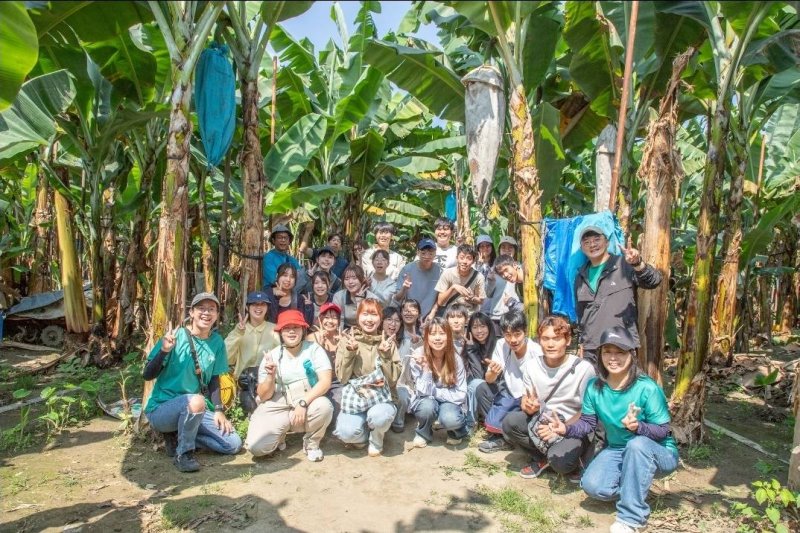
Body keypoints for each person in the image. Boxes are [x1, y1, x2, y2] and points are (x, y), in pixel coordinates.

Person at [547, 326, 678, 533]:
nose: (613, 358)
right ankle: (633, 487)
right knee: (593, 487)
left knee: (636, 445)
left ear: (632, 354)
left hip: (658, 451)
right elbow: (588, 424)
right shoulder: (594, 387)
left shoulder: (647, 388)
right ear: (600, 354)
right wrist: (565, 429)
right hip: (618, 449)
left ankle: (633, 518)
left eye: (620, 352)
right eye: (608, 351)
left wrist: (638, 427)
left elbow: (663, 431)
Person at [143, 292, 242, 473]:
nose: (206, 313)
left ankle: (177, 437)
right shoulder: (176, 337)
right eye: (201, 309)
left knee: (233, 444)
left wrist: (219, 410)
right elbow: (147, 375)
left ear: (217, 315)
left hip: (195, 408)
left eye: (211, 309)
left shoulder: (217, 342)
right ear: (192, 312)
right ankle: (184, 454)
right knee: (196, 401)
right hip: (162, 409)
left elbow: (214, 379)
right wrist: (164, 351)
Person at [501, 316, 596, 481]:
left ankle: (562, 458)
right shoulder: (532, 366)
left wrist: (562, 428)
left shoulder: (583, 369)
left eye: (556, 339)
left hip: (571, 427)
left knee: (561, 463)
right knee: (510, 423)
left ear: (567, 341)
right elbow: (526, 400)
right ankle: (546, 457)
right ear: (539, 341)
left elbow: (587, 412)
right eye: (545, 339)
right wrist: (528, 406)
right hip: (542, 421)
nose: (550, 344)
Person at [245, 310, 334, 462]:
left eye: (296, 327)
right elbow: (264, 395)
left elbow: (325, 381)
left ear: (303, 330)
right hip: (278, 403)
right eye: (286, 328)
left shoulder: (314, 349)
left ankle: (312, 443)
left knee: (324, 406)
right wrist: (270, 376)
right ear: (280, 332)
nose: (292, 331)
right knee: (256, 447)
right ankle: (279, 434)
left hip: (306, 399)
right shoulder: (272, 356)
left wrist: (303, 403)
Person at [575, 226, 662, 365]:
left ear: (607, 242)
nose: (592, 244)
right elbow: (581, 315)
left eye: (597, 239)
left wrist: (637, 263)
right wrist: (581, 343)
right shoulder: (580, 276)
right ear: (582, 248)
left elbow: (654, 281)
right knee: (593, 387)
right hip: (591, 349)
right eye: (586, 242)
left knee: (622, 386)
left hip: (621, 344)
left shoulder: (624, 265)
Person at [334, 299, 402, 456]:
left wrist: (385, 355)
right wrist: (350, 351)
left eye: (374, 314)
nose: (369, 319)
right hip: (356, 400)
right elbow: (343, 378)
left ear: (380, 319)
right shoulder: (347, 340)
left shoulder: (387, 342)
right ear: (358, 317)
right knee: (346, 433)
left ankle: (376, 438)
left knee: (380, 417)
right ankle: (363, 434)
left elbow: (392, 380)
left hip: (381, 399)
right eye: (365, 314)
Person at [477, 309, 542, 453]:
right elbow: (489, 379)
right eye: (508, 335)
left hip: (528, 397)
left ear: (525, 332)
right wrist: (493, 372)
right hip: (509, 392)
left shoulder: (536, 352)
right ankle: (500, 434)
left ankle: (507, 436)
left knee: (517, 415)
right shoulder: (501, 345)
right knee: (482, 389)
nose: (513, 340)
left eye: (517, 334)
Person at [407, 318, 468, 447]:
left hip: (450, 402)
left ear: (449, 336)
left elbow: (461, 394)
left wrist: (435, 392)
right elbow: (421, 391)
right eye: (433, 334)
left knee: (450, 418)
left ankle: (455, 432)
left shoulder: (456, 359)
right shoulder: (418, 355)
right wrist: (426, 369)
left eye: (442, 333)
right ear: (426, 337)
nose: (438, 338)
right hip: (427, 399)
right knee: (426, 408)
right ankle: (424, 432)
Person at [224, 291, 281, 414]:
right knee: (250, 405)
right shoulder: (239, 330)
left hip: (267, 380)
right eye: (254, 304)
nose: (258, 307)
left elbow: (281, 356)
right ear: (247, 307)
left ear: (267, 308)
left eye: (262, 304)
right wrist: (239, 332)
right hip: (244, 381)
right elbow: (227, 357)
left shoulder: (274, 329)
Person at [461, 312, 498, 433]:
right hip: (482, 389)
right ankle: (474, 422)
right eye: (475, 327)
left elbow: (481, 380)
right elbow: (478, 379)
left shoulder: (498, 345)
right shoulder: (470, 347)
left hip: (497, 390)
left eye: (482, 326)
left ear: (489, 327)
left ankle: (473, 423)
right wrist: (471, 350)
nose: (479, 331)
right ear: (470, 330)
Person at [306, 302, 343, 415]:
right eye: (326, 317)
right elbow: (307, 366)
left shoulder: (342, 338)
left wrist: (343, 348)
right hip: (315, 381)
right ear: (320, 319)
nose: (330, 321)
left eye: (334, 318)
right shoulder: (312, 338)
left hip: (337, 382)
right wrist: (319, 348)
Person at [394, 238, 443, 322]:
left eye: (430, 253)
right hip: (409, 316)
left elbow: (441, 297)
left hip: (430, 317)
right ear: (418, 253)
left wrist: (433, 313)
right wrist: (404, 288)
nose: (427, 256)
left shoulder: (439, 271)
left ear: (435, 254)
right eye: (423, 253)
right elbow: (397, 298)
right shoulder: (407, 270)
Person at [435, 244, 486, 315]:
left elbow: (481, 300)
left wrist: (472, 298)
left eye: (469, 258)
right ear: (457, 258)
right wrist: (453, 287)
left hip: (469, 316)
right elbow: (440, 302)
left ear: (474, 261)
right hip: (451, 315)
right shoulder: (448, 273)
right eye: (462, 257)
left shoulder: (478, 277)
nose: (465, 261)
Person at [482, 255, 523, 330]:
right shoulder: (515, 282)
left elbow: (530, 306)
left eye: (506, 270)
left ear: (515, 265)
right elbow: (488, 294)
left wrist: (512, 303)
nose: (505, 275)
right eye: (501, 274)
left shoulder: (529, 278)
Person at [262, 224, 304, 289]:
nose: (283, 240)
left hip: (291, 291)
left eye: (286, 238)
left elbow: (300, 276)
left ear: (289, 241)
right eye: (279, 237)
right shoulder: (268, 258)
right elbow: (274, 280)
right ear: (273, 240)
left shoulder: (292, 260)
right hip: (272, 292)